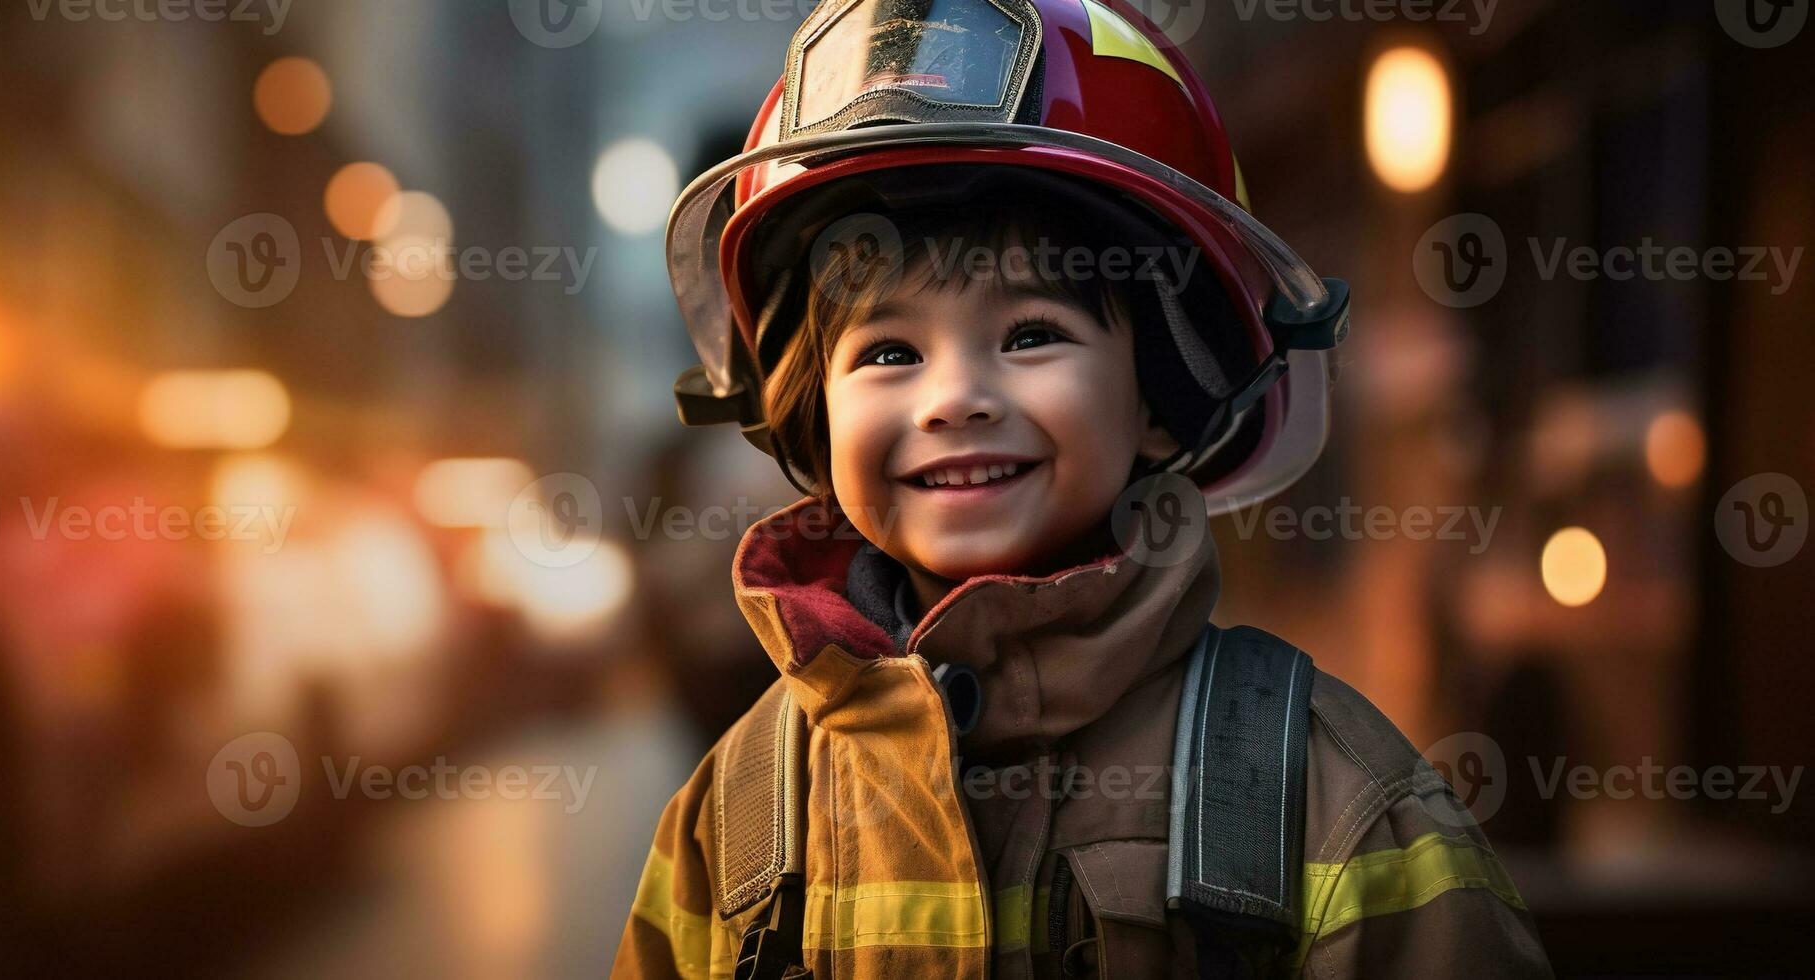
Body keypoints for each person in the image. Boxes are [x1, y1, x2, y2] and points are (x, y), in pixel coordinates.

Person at [613, 1, 1551, 977]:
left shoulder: (1329, 795)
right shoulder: (737, 816)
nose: (956, 398)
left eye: (1029, 334)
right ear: (811, 417)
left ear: (1160, 395)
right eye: (889, 351)